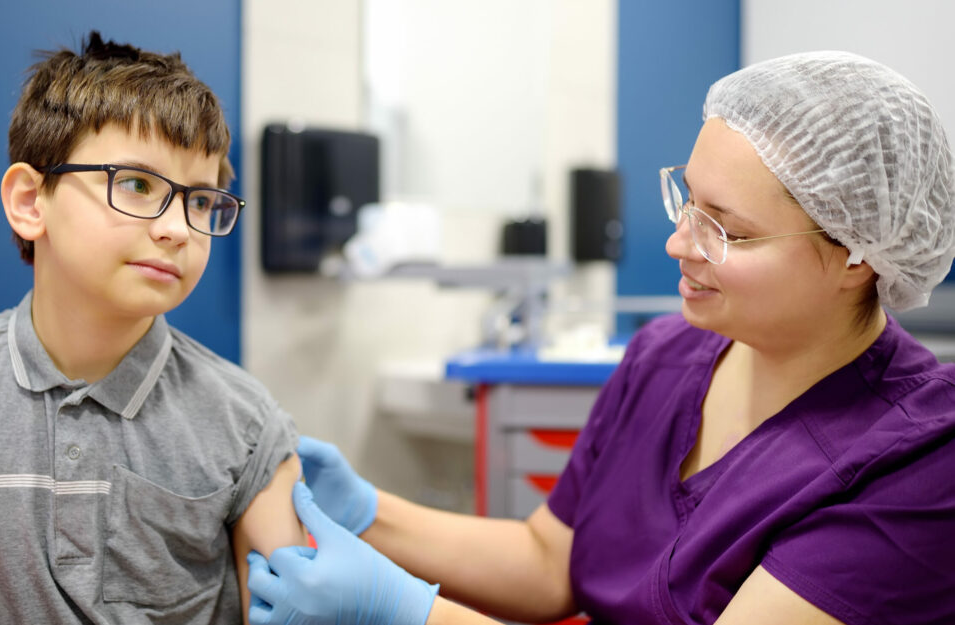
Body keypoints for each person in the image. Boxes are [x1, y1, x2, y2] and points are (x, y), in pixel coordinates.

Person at [246, 51, 955, 625]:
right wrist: (369, 511)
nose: (680, 242)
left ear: (859, 255)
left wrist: (402, 609)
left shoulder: (920, 459)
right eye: (687, 199)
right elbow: (550, 559)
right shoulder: (665, 357)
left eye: (727, 229)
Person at [0, 32, 305, 624]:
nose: (178, 229)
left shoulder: (246, 422)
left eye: (200, 200)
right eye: (138, 185)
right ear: (30, 200)